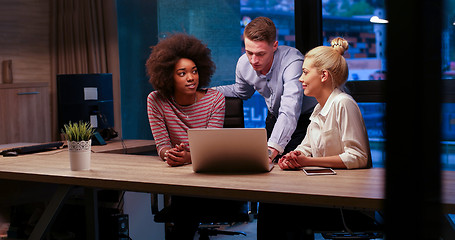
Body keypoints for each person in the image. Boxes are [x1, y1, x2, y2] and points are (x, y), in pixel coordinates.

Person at [258, 37, 373, 240]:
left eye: (304, 72)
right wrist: (294, 156)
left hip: (343, 203)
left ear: (323, 76)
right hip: (326, 192)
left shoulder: (343, 103)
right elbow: (307, 146)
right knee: (272, 204)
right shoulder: (319, 108)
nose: (300, 79)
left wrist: (308, 161)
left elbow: (358, 157)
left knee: (276, 209)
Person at [146, 33, 228, 239]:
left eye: (194, 71)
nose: (191, 78)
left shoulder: (215, 99)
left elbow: (212, 148)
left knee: (184, 209)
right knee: (185, 203)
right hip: (181, 180)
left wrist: (189, 157)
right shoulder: (156, 101)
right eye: (182, 73)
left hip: (211, 179)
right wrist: (170, 154)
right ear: (167, 77)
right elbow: (162, 145)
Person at [215, 16, 317, 161]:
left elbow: (290, 109)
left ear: (274, 46)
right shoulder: (243, 64)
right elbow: (240, 92)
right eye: (249, 52)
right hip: (274, 118)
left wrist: (271, 152)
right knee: (266, 167)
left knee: (290, 166)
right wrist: (206, 92)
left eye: (260, 54)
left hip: (305, 120)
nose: (253, 60)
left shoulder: (293, 62)